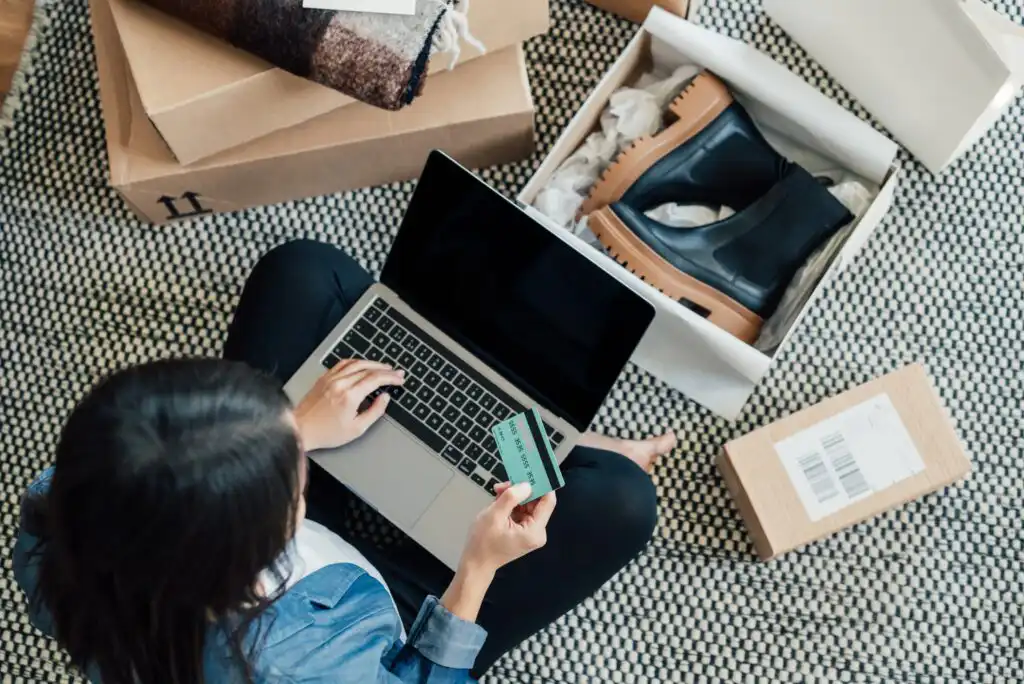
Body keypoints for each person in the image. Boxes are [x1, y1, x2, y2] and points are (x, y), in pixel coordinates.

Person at [13, 240, 677, 683]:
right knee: (621, 502)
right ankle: (565, 443)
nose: (298, 447)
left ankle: (536, 426)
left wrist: (293, 429)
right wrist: (477, 569)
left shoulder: (56, 524)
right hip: (385, 613)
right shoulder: (304, 669)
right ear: (245, 557)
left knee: (302, 270)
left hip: (251, 553)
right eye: (291, 474)